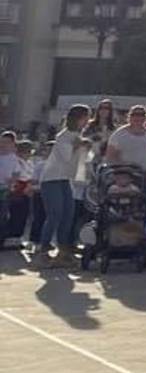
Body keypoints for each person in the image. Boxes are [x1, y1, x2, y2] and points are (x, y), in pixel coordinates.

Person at [35, 106, 90, 266]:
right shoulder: (63, 136)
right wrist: (77, 145)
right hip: (51, 179)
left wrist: (86, 148)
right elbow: (66, 156)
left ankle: (63, 249)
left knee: (68, 214)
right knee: (55, 213)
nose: (86, 121)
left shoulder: (77, 136)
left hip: (65, 179)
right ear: (77, 118)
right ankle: (44, 248)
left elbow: (82, 159)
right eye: (84, 117)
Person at [105, 104, 146, 175]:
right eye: (134, 114)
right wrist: (127, 166)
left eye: (141, 115)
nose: (138, 117)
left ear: (145, 117)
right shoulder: (120, 134)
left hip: (145, 174)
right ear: (129, 116)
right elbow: (110, 157)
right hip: (125, 175)